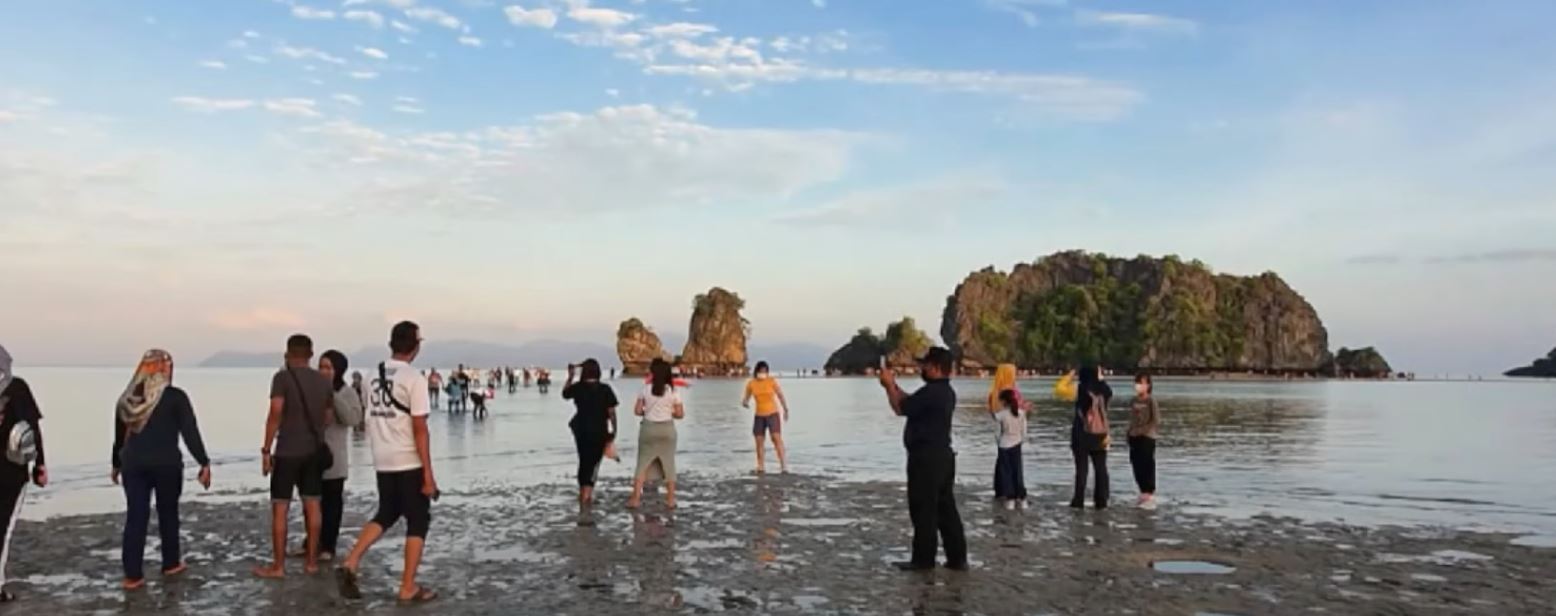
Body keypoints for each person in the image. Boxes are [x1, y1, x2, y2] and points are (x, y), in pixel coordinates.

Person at [337, 321, 439, 603]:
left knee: (388, 512)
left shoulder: (372, 375)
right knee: (418, 520)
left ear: (391, 344)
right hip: (408, 458)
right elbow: (420, 429)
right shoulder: (414, 379)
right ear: (416, 346)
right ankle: (408, 586)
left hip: (382, 458)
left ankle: (352, 560)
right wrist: (429, 475)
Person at [112, 350, 212, 589]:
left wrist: (116, 463)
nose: (170, 371)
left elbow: (119, 436)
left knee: (136, 516)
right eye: (168, 367)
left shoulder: (128, 398)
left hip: (133, 464)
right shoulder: (175, 397)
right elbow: (190, 431)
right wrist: (204, 462)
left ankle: (132, 575)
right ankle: (170, 563)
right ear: (161, 369)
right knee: (168, 513)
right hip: (166, 464)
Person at [879, 347, 967, 572]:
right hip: (942, 458)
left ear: (936, 368)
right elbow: (909, 402)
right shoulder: (942, 391)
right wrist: (894, 386)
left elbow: (900, 408)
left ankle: (923, 560)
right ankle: (957, 559)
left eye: (925, 365)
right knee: (946, 510)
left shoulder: (932, 392)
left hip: (926, 459)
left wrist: (889, 386)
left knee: (924, 510)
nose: (922, 368)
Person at [256, 334, 334, 578]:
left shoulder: (282, 378)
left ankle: (278, 566)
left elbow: (275, 413)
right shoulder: (323, 382)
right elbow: (328, 416)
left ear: (288, 354)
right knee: (312, 505)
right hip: (313, 450)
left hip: (287, 450)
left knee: (280, 507)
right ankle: (311, 562)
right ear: (310, 354)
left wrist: (266, 449)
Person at [0, 345, 46, 603]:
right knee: (2, 530)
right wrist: (41, 464)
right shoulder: (18, 388)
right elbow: (32, 430)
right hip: (11, 473)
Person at [312, 350, 364, 561]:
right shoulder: (313, 389)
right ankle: (312, 542)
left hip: (335, 458)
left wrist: (332, 396)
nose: (324, 371)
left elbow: (352, 419)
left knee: (332, 504)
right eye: (321, 367)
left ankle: (328, 546)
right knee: (312, 503)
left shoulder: (347, 392)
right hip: (311, 456)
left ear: (338, 370)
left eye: (328, 368)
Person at [627, 358, 684, 510]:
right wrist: (668, 411)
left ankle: (635, 499)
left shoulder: (645, 390)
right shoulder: (673, 391)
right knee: (669, 464)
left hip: (648, 429)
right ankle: (671, 499)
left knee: (642, 464)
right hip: (667, 429)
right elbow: (680, 414)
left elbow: (638, 411)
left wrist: (649, 411)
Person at [562, 359, 618, 506]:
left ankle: (584, 493)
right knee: (593, 464)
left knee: (584, 460)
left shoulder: (579, 387)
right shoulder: (605, 389)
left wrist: (570, 377)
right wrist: (614, 431)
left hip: (581, 430)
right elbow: (611, 412)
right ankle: (586, 495)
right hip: (599, 430)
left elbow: (565, 394)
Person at [1070, 364, 1113, 510]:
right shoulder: (1105, 390)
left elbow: (1081, 407)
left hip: (1081, 433)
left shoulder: (1082, 389)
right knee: (1101, 468)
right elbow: (1108, 395)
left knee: (1082, 470)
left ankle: (1078, 500)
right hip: (1100, 433)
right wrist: (1101, 380)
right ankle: (1101, 500)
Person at [742, 361, 791, 474]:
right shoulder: (751, 383)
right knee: (759, 441)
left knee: (776, 438)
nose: (763, 373)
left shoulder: (771, 381)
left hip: (772, 413)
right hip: (759, 415)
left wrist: (785, 409)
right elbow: (746, 397)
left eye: (765, 371)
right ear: (756, 371)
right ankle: (761, 466)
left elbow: (780, 395)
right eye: (761, 371)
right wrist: (745, 403)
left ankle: (783, 465)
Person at [1127, 373, 1160, 510]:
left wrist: (1143, 430)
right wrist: (1129, 432)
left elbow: (1156, 420)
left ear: (1148, 385)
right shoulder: (1134, 401)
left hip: (1148, 437)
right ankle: (1142, 490)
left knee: (1147, 464)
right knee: (1136, 463)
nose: (1139, 385)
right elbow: (1132, 419)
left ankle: (1149, 491)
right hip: (1134, 437)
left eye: (1142, 383)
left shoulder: (1151, 401)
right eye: (1137, 382)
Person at [991, 390, 1027, 509]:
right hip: (1017, 444)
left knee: (1006, 472)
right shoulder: (1021, 413)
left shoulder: (1001, 414)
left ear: (1004, 401)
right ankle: (1020, 497)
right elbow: (1024, 432)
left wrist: (999, 442)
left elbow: (996, 431)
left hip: (1004, 445)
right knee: (1017, 471)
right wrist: (1020, 440)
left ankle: (1009, 497)